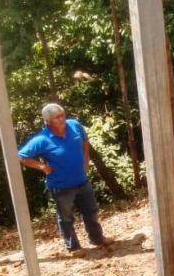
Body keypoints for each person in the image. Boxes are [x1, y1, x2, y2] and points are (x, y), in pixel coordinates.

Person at [18, 103, 107, 252]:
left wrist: (86, 160)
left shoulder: (74, 125)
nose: (61, 119)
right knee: (66, 218)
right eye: (56, 117)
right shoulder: (42, 139)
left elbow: (85, 142)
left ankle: (97, 238)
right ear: (47, 121)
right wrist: (42, 166)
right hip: (61, 186)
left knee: (91, 211)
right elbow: (21, 156)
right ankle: (74, 247)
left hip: (82, 180)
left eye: (62, 115)